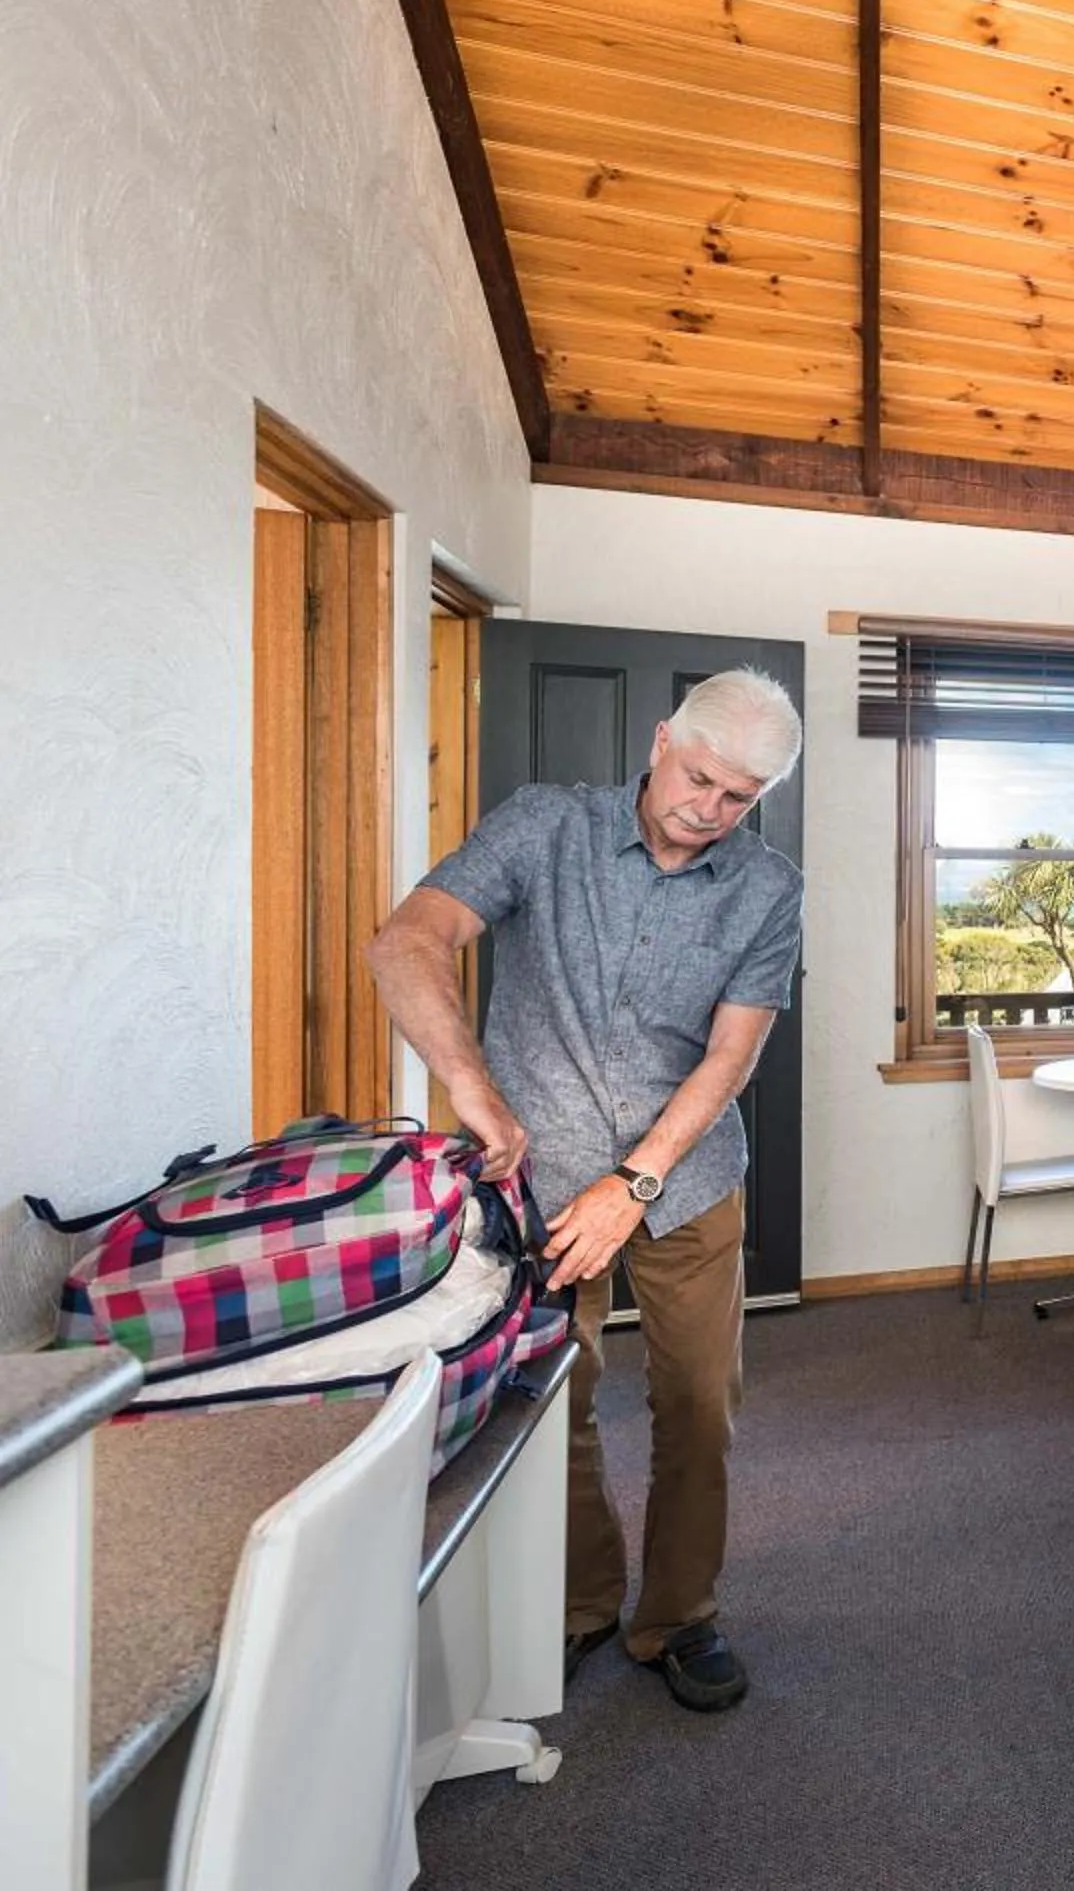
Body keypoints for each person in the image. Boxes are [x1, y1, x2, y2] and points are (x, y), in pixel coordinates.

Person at [367, 669, 804, 1712]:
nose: (710, 808)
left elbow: (730, 1058)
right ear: (661, 742)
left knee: (698, 1406)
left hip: (687, 1181)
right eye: (699, 778)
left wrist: (635, 1183)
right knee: (550, 1395)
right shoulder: (546, 827)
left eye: (740, 796)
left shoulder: (768, 887)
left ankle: (679, 1616)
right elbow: (406, 941)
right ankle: (579, 1602)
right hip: (536, 1179)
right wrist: (470, 1085)